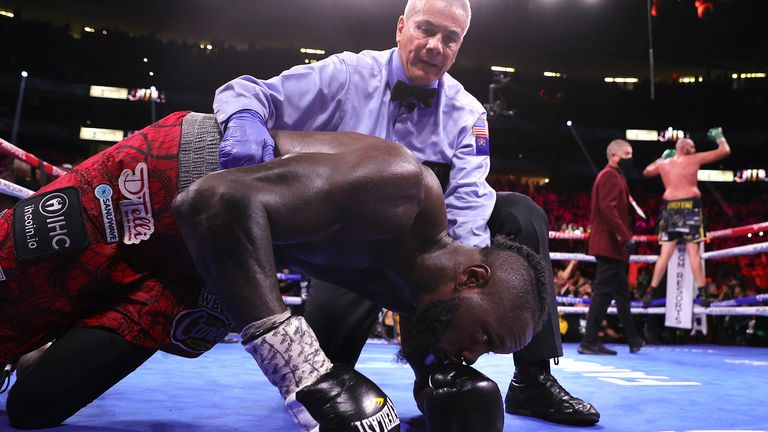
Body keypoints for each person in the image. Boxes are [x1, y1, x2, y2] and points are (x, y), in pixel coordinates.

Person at [0, 112, 548, 431]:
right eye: (485, 339)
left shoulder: (420, 297)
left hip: (203, 277)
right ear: (472, 279)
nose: (474, 355)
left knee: (33, 409)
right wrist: (301, 367)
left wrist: (451, 400)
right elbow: (211, 201)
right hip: (159, 187)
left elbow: (435, 364)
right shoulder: (398, 187)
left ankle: (39, 347)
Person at [213, 0, 598, 424]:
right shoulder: (348, 75)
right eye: (425, 29)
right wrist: (246, 119)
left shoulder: (467, 113)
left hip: (438, 254)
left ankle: (531, 379)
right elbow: (246, 91)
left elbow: (469, 205)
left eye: (449, 38)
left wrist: (452, 305)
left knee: (520, 212)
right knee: (325, 362)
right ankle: (325, 370)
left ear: (459, 47)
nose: (435, 45)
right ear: (400, 28)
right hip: (352, 247)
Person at [642, 129, 731, 303]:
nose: (695, 148)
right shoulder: (693, 159)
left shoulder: (664, 164)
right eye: (693, 146)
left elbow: (646, 171)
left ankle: (650, 292)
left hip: (670, 209)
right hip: (689, 208)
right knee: (693, 253)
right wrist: (720, 137)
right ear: (686, 148)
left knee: (665, 254)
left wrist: (662, 158)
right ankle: (703, 293)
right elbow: (724, 151)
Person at [578, 139, 645, 356]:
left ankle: (633, 339)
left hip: (613, 245)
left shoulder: (616, 176)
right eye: (627, 154)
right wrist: (626, 237)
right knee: (603, 293)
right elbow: (608, 209)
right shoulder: (608, 175)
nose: (630, 158)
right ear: (614, 155)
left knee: (621, 293)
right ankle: (588, 341)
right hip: (609, 243)